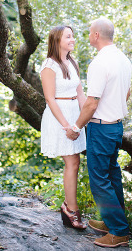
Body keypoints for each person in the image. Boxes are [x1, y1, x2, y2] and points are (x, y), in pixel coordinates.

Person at [65, 17, 132, 248]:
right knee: (112, 175)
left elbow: (91, 103)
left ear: (96, 35)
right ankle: (112, 222)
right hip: (116, 126)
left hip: (101, 128)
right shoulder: (123, 59)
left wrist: (76, 128)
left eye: (89, 33)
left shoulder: (99, 63)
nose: (87, 36)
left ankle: (119, 232)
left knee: (99, 180)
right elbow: (127, 93)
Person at [39, 25, 87, 230]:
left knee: (75, 162)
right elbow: (50, 99)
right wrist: (67, 126)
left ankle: (69, 207)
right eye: (68, 36)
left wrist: (87, 118)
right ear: (57, 40)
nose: (73, 39)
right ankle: (71, 210)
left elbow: (81, 93)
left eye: (73, 36)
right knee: (73, 162)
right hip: (60, 117)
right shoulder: (49, 65)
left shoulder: (72, 62)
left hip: (75, 114)